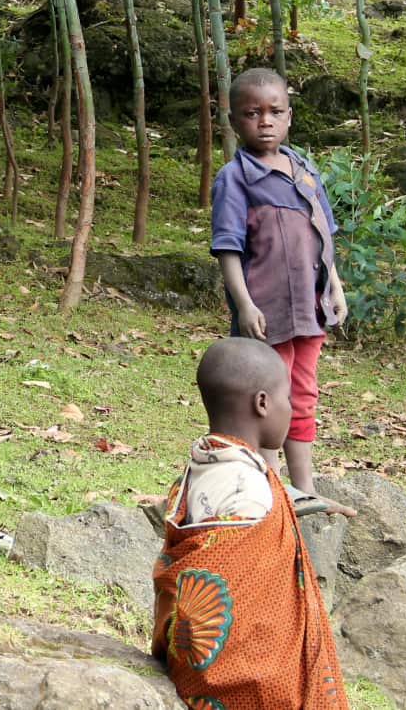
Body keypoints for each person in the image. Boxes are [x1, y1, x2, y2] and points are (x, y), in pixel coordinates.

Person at [152, 337, 349, 710]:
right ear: (262, 403)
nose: (292, 409)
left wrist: (310, 501)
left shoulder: (203, 465)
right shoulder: (251, 488)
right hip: (243, 679)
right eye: (288, 399)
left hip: (188, 659)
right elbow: (245, 608)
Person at [210, 67, 351, 517]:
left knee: (302, 394)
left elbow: (324, 235)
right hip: (266, 312)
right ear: (234, 122)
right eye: (253, 114)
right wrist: (244, 304)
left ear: (289, 117)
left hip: (310, 309)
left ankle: (304, 486)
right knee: (268, 397)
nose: (265, 121)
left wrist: (336, 287)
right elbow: (228, 249)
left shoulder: (304, 170)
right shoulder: (235, 178)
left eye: (275, 112)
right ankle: (271, 485)